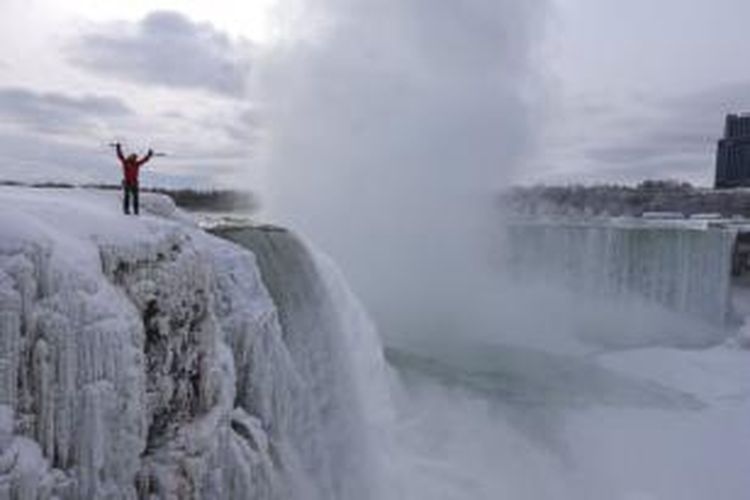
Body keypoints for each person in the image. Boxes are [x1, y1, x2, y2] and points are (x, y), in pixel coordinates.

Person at [115, 143, 153, 215]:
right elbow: (120, 156)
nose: (134, 159)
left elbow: (144, 160)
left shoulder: (136, 164)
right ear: (130, 157)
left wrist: (149, 155)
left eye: (135, 158)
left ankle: (136, 211)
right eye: (133, 157)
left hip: (135, 183)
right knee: (127, 197)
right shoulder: (126, 162)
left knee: (136, 198)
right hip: (127, 182)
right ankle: (126, 210)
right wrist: (118, 148)